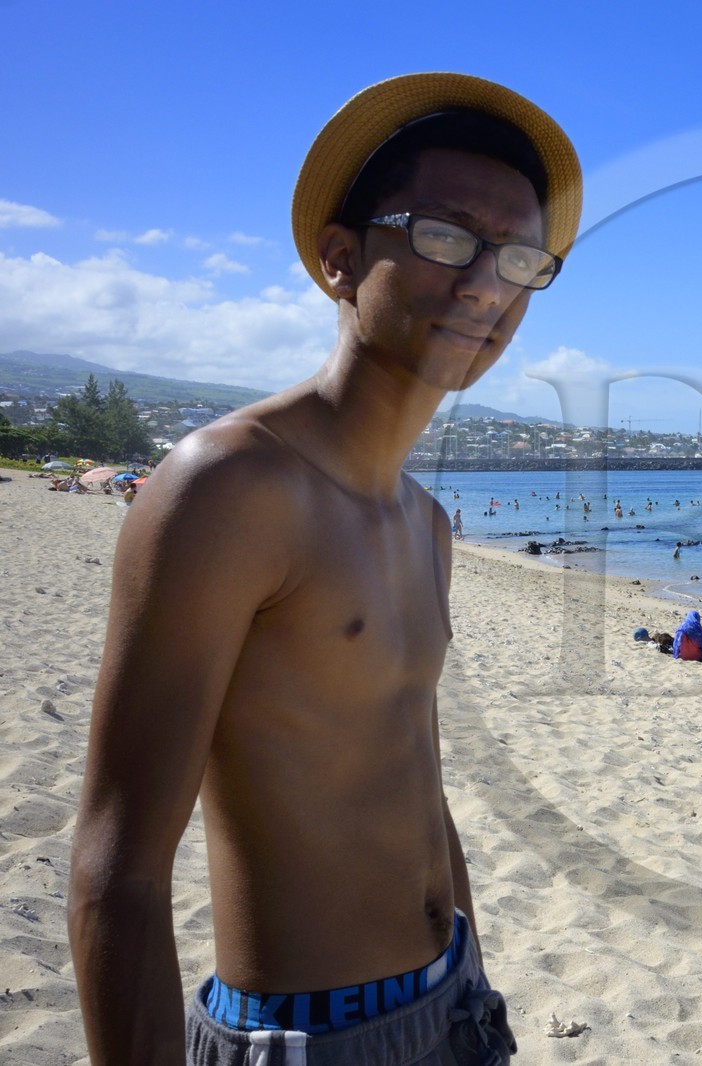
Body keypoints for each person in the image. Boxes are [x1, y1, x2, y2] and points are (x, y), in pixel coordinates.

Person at [69, 72, 582, 1066]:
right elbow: (116, 868)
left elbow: (412, 775)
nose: (486, 282)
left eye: (520, 257)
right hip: (309, 1037)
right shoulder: (227, 488)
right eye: (445, 236)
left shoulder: (425, 522)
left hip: (458, 1001)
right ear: (341, 259)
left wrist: (469, 967)